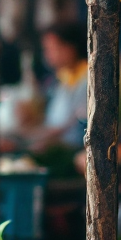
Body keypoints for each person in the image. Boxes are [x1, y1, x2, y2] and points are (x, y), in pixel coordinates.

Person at [31, 22, 88, 151]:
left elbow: (70, 126)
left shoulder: (87, 79)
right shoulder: (63, 78)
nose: (47, 55)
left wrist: (26, 140)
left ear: (69, 49)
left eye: (50, 49)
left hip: (74, 151)